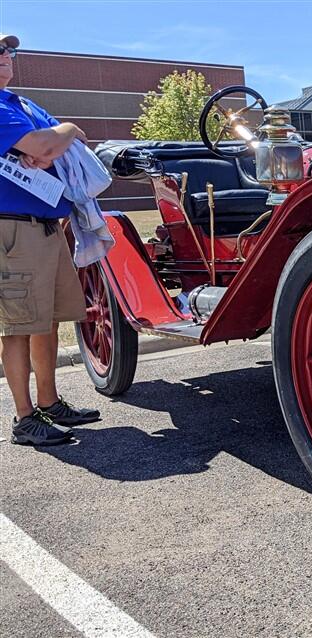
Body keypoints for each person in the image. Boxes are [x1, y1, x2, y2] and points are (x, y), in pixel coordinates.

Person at [0, 33, 100, 446]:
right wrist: (66, 131)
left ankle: (49, 402)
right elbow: (46, 144)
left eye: (9, 51)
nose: (6, 56)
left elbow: (61, 148)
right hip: (13, 228)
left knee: (47, 320)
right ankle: (25, 419)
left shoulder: (21, 105)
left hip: (45, 224)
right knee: (18, 326)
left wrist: (59, 140)